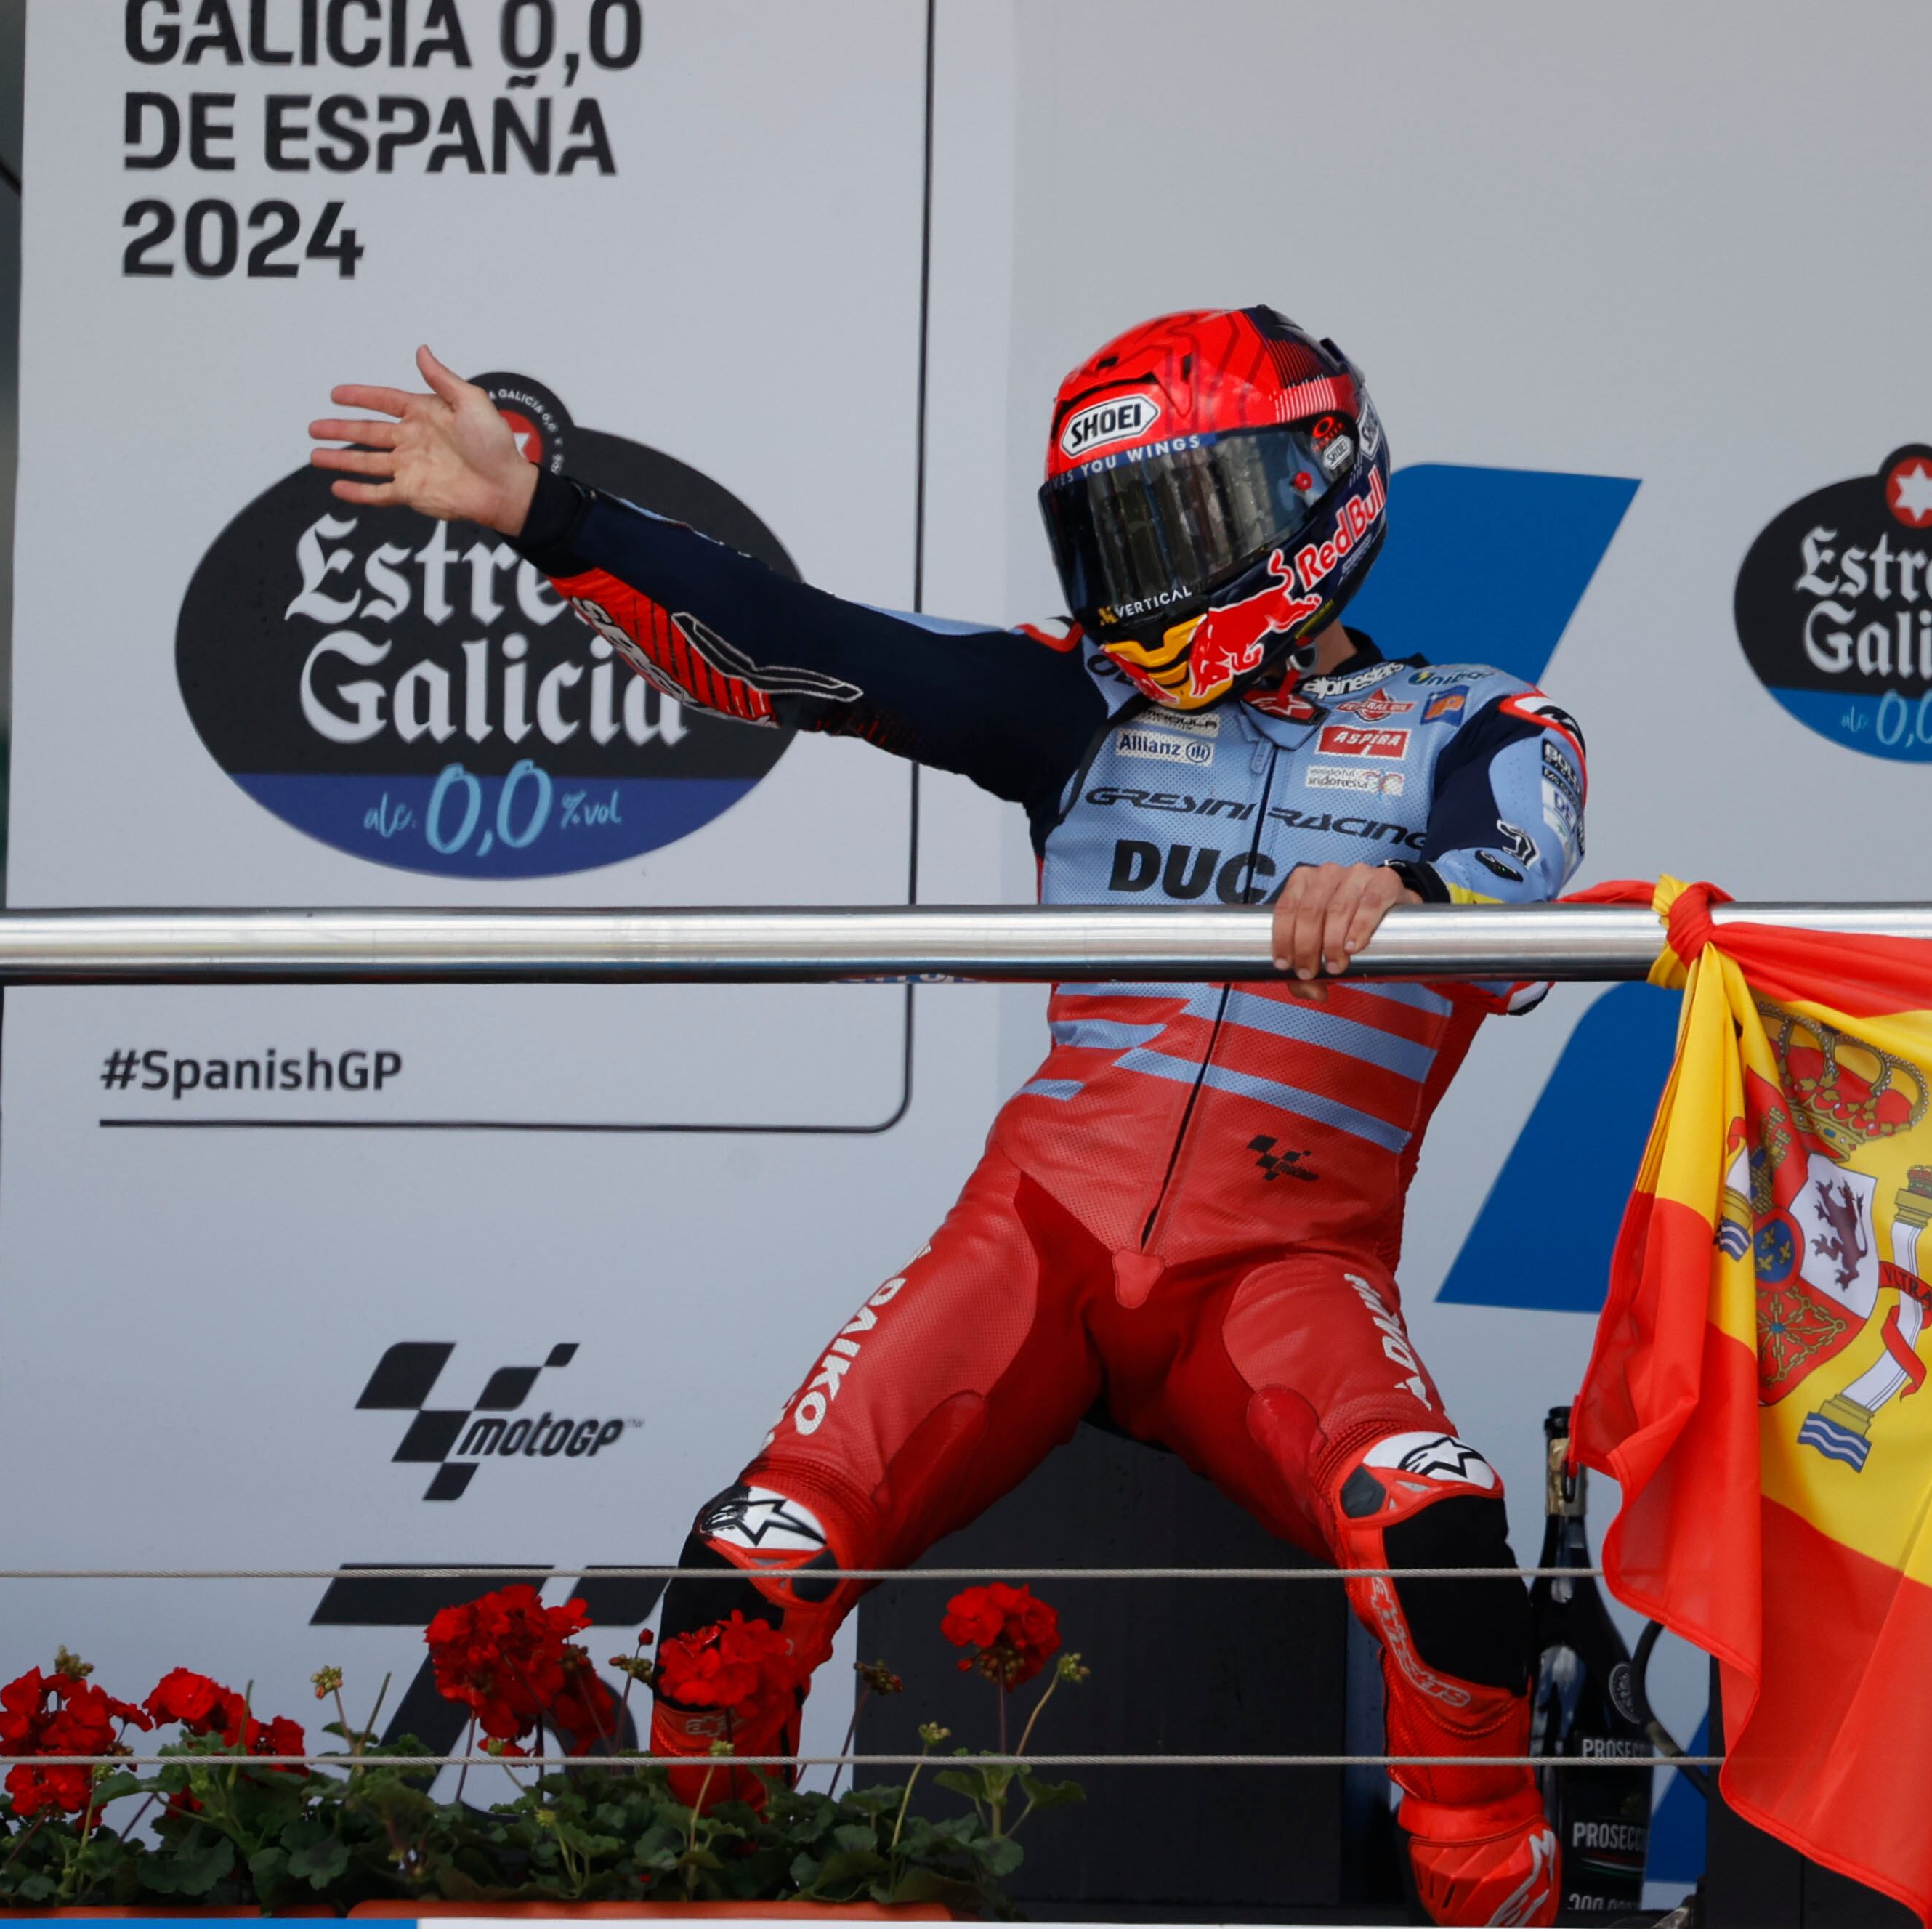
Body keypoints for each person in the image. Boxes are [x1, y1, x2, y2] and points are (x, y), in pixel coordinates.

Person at [309, 307, 1585, 1926]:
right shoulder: (1082, 703)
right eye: (1116, 530)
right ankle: (727, 1900)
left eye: (1182, 519)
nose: (1144, 569)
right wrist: (553, 514)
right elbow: (806, 645)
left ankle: (1500, 1891)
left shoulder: (1482, 722)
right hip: (1037, 1242)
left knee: (1450, 1566)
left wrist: (1406, 881)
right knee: (737, 1585)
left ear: (1314, 491)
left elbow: (1530, 880)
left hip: (1282, 1271)